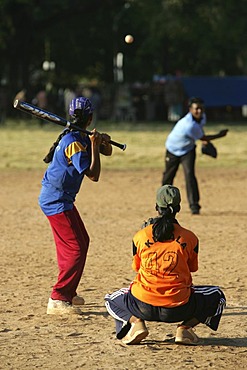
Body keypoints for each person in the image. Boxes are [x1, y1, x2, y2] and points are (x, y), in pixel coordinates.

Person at [105, 184, 226, 345]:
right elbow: (192, 268)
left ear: (156, 207)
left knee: (110, 299)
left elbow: (136, 267)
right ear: (179, 208)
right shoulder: (190, 237)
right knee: (217, 296)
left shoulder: (140, 236)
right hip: (179, 308)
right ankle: (185, 329)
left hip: (142, 305)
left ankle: (136, 323)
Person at [39, 96, 112, 315]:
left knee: (80, 242)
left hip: (60, 199)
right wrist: (93, 144)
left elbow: (106, 152)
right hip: (56, 200)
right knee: (76, 248)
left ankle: (68, 291)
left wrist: (102, 142)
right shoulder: (74, 143)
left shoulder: (79, 136)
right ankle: (58, 297)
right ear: (90, 118)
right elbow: (93, 175)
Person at [161, 97, 228, 214]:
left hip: (187, 149)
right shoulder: (189, 124)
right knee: (168, 176)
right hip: (173, 149)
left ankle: (194, 206)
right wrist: (220, 135)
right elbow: (203, 137)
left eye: (201, 108)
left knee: (190, 175)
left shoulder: (202, 118)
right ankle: (163, 204)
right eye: (196, 109)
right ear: (190, 110)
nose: (199, 111)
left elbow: (200, 132)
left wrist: (205, 143)